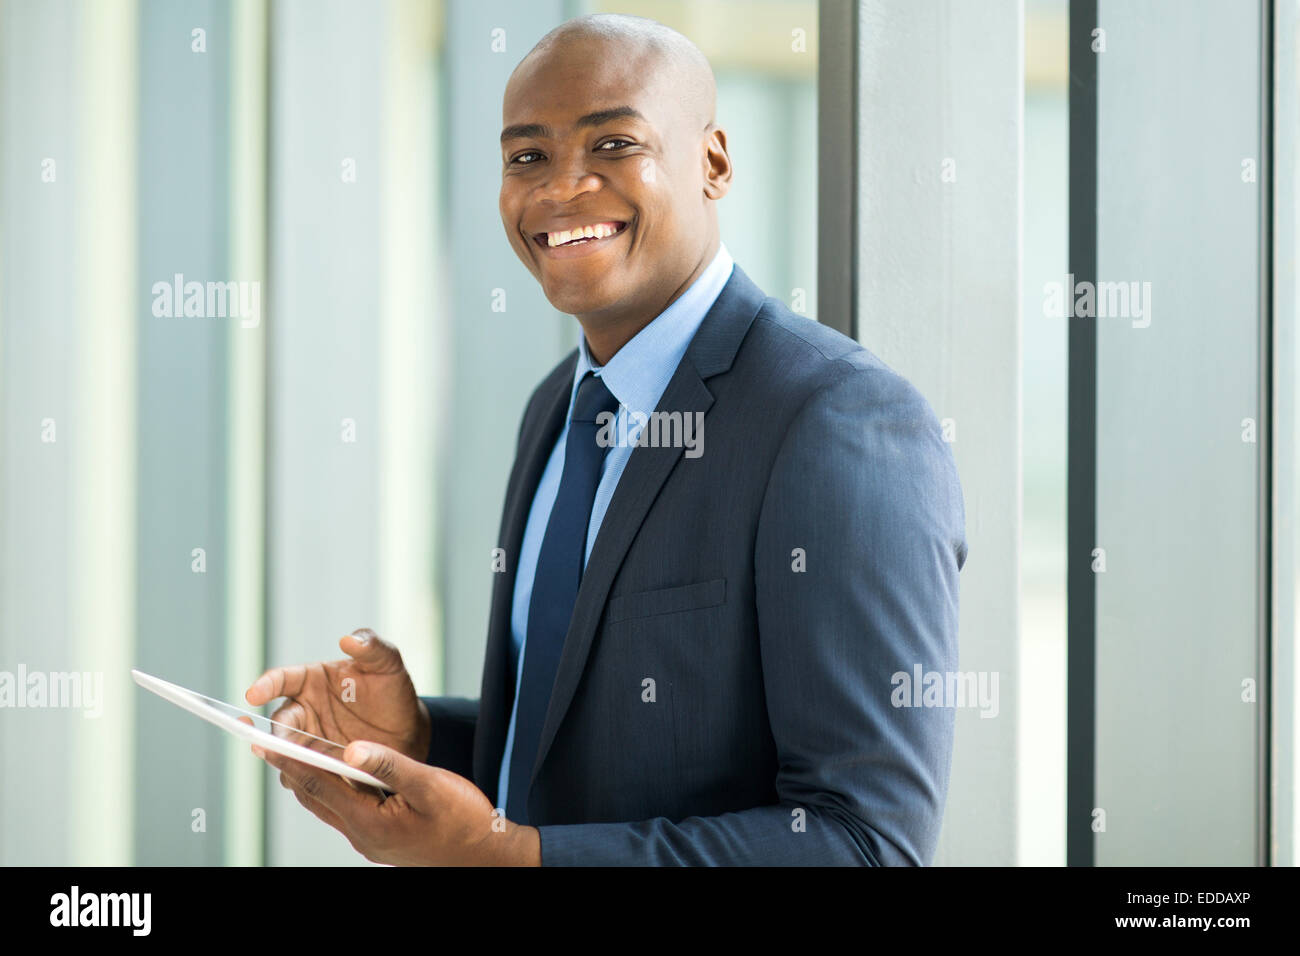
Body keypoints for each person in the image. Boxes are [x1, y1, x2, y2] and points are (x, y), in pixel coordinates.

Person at [246, 12, 967, 866]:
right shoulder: (559, 406)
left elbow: (864, 841)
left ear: (713, 162)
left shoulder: (837, 420)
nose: (561, 190)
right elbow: (588, 750)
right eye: (527, 157)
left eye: (614, 144)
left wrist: (515, 859)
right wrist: (423, 735)